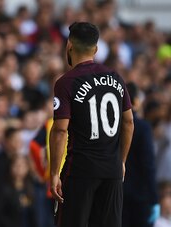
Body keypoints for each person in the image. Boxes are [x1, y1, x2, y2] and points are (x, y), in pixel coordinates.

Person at [49, 22, 134, 227]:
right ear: (95, 49)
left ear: (69, 46)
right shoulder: (115, 78)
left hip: (80, 171)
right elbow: (129, 122)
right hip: (112, 172)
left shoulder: (66, 83)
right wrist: (121, 161)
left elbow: (60, 130)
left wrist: (53, 173)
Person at [122, 82, 159, 227]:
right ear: (136, 101)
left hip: (117, 195)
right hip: (140, 197)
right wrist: (154, 199)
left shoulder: (111, 127)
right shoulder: (143, 128)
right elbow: (148, 165)